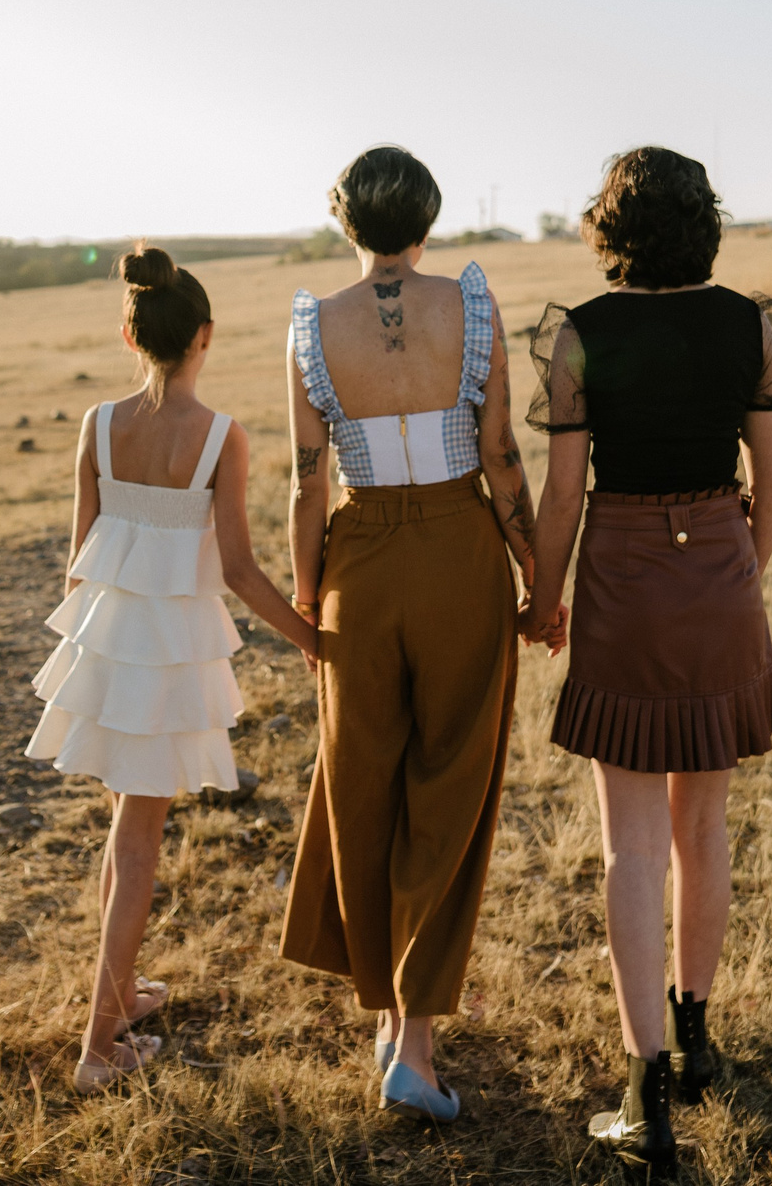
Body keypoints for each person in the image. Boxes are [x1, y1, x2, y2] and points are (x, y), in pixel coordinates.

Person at [526, 146, 772, 1169]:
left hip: (624, 577)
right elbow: (770, 487)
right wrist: (743, 577)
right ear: (706, 222)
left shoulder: (578, 336)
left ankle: (646, 1086)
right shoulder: (751, 325)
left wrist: (541, 597)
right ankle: (694, 1034)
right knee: (704, 821)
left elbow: (562, 495)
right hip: (721, 570)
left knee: (631, 843)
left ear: (612, 230)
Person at [277, 145, 542, 1123]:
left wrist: (310, 600)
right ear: (428, 218)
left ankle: (389, 1019)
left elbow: (307, 481)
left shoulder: (310, 324)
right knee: (448, 785)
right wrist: (539, 578)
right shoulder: (470, 307)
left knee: (362, 782)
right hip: (460, 550)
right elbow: (502, 455)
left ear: (345, 223)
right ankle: (413, 1047)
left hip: (359, 561)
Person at [26, 245, 322, 1093]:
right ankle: (97, 1048)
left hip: (108, 645)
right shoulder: (221, 437)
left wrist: (91, 645)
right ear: (206, 337)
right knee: (138, 843)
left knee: (126, 834)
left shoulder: (97, 425)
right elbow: (238, 569)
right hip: (160, 659)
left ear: (130, 333)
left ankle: (119, 996)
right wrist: (312, 636)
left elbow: (78, 554)